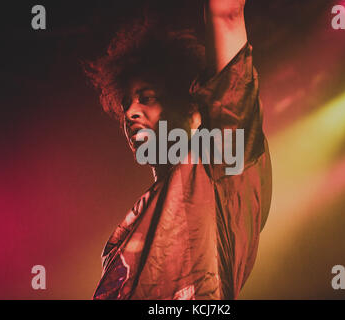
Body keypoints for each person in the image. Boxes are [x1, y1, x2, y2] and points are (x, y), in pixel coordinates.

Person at [86, 0, 272, 299]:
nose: (131, 111)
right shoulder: (134, 222)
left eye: (146, 98)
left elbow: (226, 13)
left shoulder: (221, 162)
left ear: (191, 111)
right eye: (126, 105)